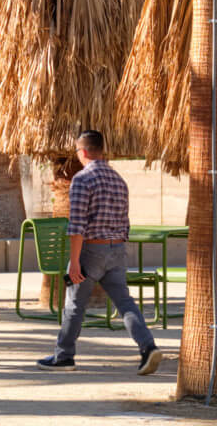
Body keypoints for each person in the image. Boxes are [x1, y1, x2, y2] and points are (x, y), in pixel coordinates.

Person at [37, 129, 163, 374]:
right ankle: (148, 347)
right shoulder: (119, 180)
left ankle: (64, 357)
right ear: (101, 151)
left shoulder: (83, 180)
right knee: (125, 302)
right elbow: (125, 220)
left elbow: (77, 226)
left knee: (74, 305)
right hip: (117, 249)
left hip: (92, 250)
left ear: (82, 152)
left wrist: (74, 262)